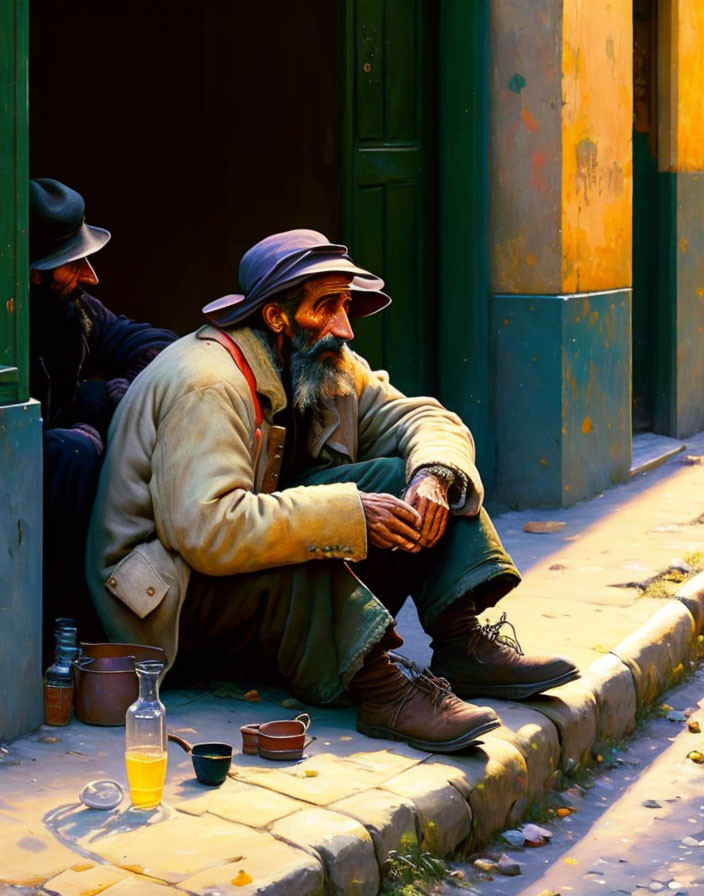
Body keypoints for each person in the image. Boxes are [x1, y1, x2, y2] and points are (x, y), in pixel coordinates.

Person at [85, 229, 578, 753]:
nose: (345, 327)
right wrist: (345, 516)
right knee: (321, 532)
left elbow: (426, 419)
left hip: (228, 575)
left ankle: (460, 644)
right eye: (327, 308)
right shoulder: (209, 383)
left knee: (409, 476)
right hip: (171, 601)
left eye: (346, 305)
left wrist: (432, 477)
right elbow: (210, 531)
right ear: (277, 318)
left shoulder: (326, 365)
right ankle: (381, 689)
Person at [29, 178, 177, 650]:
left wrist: (119, 395)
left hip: (54, 488)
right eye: (74, 264)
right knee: (73, 449)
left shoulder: (76, 311)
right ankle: (54, 640)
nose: (91, 276)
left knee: (96, 424)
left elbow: (158, 346)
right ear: (34, 273)